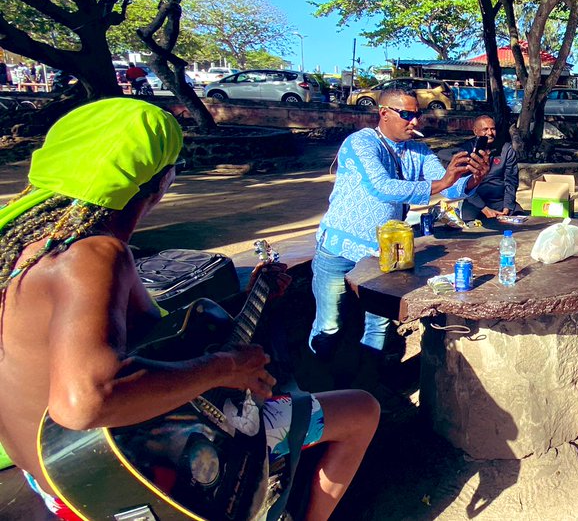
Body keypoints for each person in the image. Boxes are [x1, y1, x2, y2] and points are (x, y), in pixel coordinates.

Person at [0, 98, 380, 521]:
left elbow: (145, 348)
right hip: (129, 472)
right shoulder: (93, 254)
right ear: (160, 180)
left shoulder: (24, 247)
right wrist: (225, 367)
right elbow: (84, 402)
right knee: (361, 409)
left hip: (60, 477)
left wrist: (250, 305)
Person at [310, 89, 487, 360]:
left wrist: (473, 179)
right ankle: (320, 381)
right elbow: (381, 187)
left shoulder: (418, 149)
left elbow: (450, 189)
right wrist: (441, 183)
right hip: (339, 248)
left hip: (382, 253)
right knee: (329, 326)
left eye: (417, 115)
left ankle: (370, 386)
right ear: (384, 113)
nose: (414, 122)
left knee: (378, 325)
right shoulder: (361, 143)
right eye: (406, 115)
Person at [458, 114, 520, 222]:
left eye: (493, 129)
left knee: (520, 220)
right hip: (475, 202)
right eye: (485, 129)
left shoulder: (506, 149)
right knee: (468, 227)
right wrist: (484, 208)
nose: (490, 133)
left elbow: (511, 180)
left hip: (501, 201)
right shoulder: (466, 151)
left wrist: (507, 206)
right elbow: (463, 185)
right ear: (475, 131)